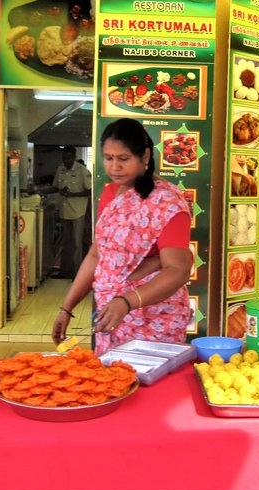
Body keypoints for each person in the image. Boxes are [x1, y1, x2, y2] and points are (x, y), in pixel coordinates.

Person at [52, 119, 193, 355]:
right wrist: (66, 308)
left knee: (152, 385)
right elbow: (97, 255)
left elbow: (178, 270)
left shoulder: (168, 201)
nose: (114, 167)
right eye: (108, 158)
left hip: (155, 317)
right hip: (112, 313)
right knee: (114, 380)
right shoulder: (110, 193)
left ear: (145, 156)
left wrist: (127, 301)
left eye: (123, 159)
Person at [53, 146, 92, 278]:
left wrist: (73, 194)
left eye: (69, 158)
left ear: (74, 157)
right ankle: (65, 271)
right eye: (64, 158)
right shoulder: (60, 169)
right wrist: (38, 191)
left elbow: (89, 191)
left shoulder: (82, 171)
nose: (66, 161)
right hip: (65, 211)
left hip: (78, 212)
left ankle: (77, 274)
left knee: (77, 243)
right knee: (66, 243)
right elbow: (55, 187)